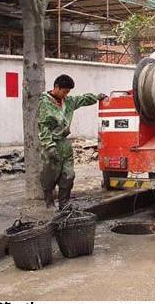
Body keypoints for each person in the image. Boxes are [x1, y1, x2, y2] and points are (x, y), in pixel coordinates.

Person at [38, 74, 107, 209]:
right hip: (51, 143)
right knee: (50, 175)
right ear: (56, 87)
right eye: (64, 91)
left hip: (65, 143)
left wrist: (97, 97)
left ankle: (64, 203)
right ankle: (49, 202)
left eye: (68, 92)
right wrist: (49, 146)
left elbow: (81, 99)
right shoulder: (45, 103)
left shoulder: (68, 102)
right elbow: (43, 126)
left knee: (68, 175)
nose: (66, 94)